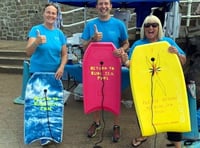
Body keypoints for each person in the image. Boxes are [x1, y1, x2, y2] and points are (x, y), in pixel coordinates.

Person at [121, 15, 186, 148]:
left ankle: (177, 144)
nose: (150, 28)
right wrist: (124, 60)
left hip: (166, 86)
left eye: (154, 25)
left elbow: (183, 61)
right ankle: (144, 134)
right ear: (144, 28)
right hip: (145, 88)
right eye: (147, 25)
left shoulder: (167, 42)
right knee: (144, 111)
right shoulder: (138, 45)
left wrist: (177, 54)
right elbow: (131, 64)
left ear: (159, 27)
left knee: (170, 113)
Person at [81, 0, 129, 143]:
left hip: (113, 66)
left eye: (106, 3)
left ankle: (116, 125)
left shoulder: (119, 24)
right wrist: (92, 39)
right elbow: (83, 46)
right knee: (96, 93)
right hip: (94, 67)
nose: (103, 6)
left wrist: (122, 49)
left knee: (114, 94)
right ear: (96, 7)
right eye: (100, 4)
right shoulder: (90, 25)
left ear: (110, 6)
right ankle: (96, 123)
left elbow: (126, 43)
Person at [25, 3, 67, 146]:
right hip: (37, 74)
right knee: (40, 106)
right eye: (48, 12)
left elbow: (64, 54)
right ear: (44, 14)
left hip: (54, 75)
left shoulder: (59, 34)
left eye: (53, 13)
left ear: (57, 16)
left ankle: (52, 132)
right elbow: (28, 52)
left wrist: (61, 67)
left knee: (53, 105)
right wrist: (36, 42)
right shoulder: (35, 30)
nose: (51, 15)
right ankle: (42, 134)